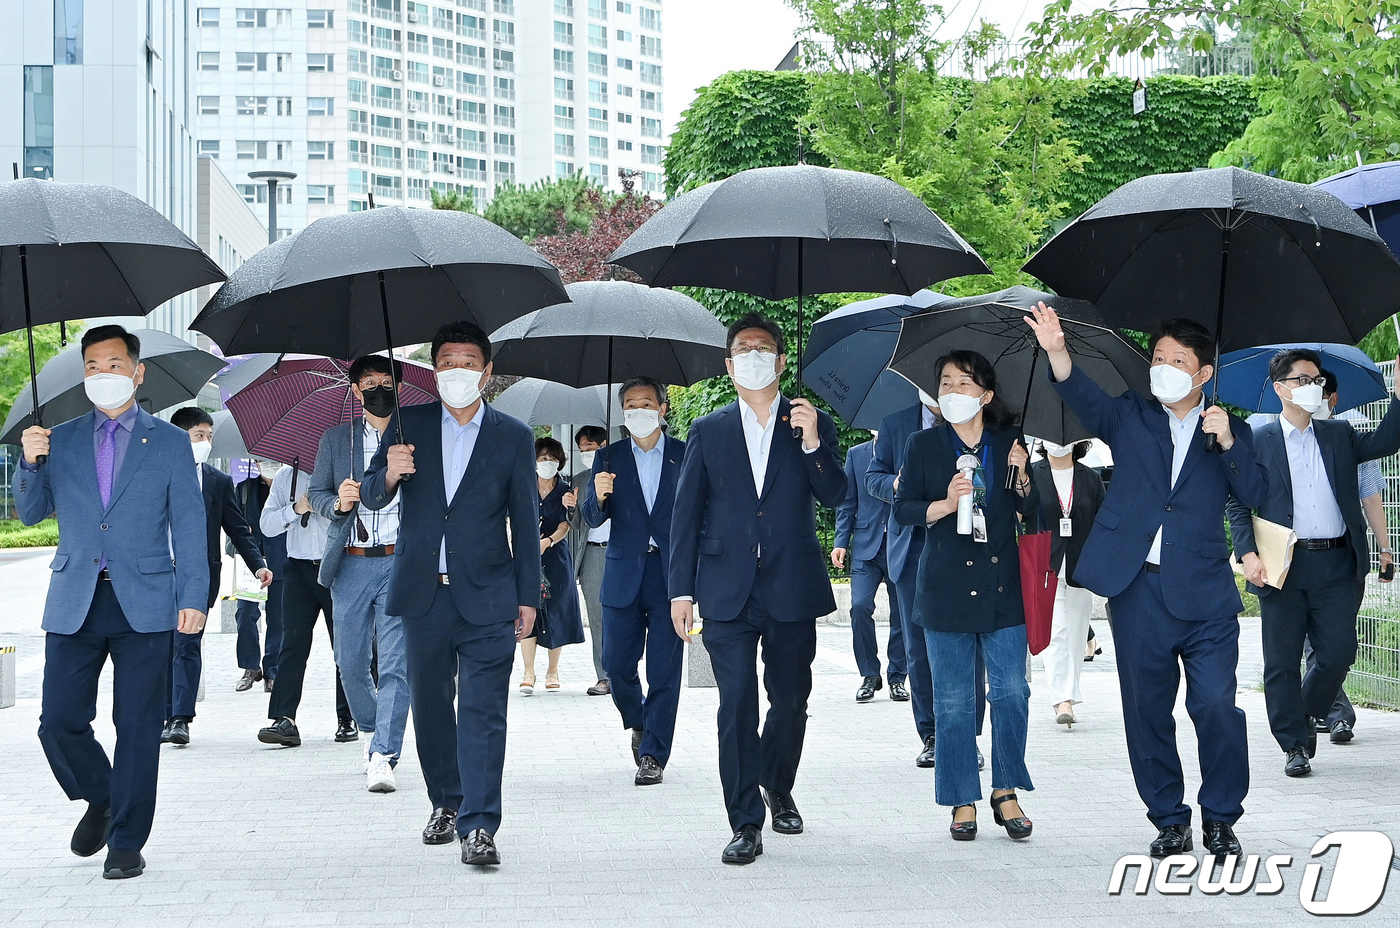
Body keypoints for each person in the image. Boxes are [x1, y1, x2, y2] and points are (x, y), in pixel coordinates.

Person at [1027, 304, 1267, 860]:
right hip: (1139, 589)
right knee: (1146, 711)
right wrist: (1057, 349)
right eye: (1158, 358)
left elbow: (1256, 494)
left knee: (1215, 706)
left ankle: (1222, 817)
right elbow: (1081, 396)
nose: (1162, 367)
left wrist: (1229, 443)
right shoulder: (1132, 414)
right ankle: (1169, 818)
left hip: (1206, 594)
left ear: (1203, 373)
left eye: (1176, 360)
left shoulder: (1231, 429)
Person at [15, 324, 208, 880]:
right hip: (75, 597)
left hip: (146, 601)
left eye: (114, 364)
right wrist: (30, 463)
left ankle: (127, 839)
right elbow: (29, 515)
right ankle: (102, 798)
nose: (104, 374)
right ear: (85, 374)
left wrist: (193, 594)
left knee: (139, 725)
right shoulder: (61, 437)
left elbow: (190, 526)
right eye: (93, 366)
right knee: (58, 721)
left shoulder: (169, 442)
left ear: (137, 370)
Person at [360, 320, 540, 867]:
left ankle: (481, 824)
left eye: (467, 361)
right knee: (432, 707)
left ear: (485, 372)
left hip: (489, 595)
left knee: (485, 712)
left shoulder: (512, 436)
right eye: (445, 361)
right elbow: (369, 496)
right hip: (423, 597)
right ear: (433, 370)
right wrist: (389, 475)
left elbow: (526, 523)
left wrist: (528, 596)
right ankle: (446, 801)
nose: (455, 370)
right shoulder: (406, 425)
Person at [669, 313, 846, 865]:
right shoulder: (710, 429)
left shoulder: (808, 421)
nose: (753, 356)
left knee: (791, 701)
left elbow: (836, 494)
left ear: (780, 359)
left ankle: (778, 782)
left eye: (763, 348)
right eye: (743, 349)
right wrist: (680, 591)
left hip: (792, 584)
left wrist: (815, 443)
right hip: (726, 591)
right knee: (737, 703)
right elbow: (686, 515)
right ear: (729, 364)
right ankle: (745, 820)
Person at [1226, 348, 1400, 778]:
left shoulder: (1339, 433)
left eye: (1318, 380)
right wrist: (1248, 555)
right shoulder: (1256, 438)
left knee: (1340, 651)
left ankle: (1303, 713)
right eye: (1304, 379)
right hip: (1282, 565)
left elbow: (1385, 442)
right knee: (1282, 660)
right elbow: (1237, 502)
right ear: (1282, 388)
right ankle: (1293, 745)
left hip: (1338, 563)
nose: (1314, 386)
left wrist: (1398, 395)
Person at [894, 350, 1039, 842]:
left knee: (1012, 692)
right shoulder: (922, 445)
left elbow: (1032, 512)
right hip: (946, 591)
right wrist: (946, 503)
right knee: (954, 703)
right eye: (946, 383)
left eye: (964, 383)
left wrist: (1022, 477)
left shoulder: (1008, 443)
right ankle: (961, 797)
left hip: (1003, 593)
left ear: (986, 395)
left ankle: (1006, 789)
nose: (952, 392)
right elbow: (904, 510)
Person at [308, 355, 413, 793]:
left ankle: (384, 752)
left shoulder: (416, 435)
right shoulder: (336, 440)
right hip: (350, 561)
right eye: (369, 383)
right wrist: (339, 503)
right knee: (349, 661)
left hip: (401, 561)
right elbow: (316, 493)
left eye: (386, 382)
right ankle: (372, 730)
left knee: (395, 663)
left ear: (400, 388)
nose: (378, 389)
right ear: (356, 390)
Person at [869, 394, 989, 768]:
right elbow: (873, 477)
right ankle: (932, 734)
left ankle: (968, 735)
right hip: (912, 545)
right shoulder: (895, 423)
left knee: (971, 645)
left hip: (966, 544)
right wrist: (898, 482)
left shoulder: (981, 423)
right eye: (941, 382)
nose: (946, 390)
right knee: (918, 647)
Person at [582, 376, 686, 785]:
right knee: (616, 664)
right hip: (623, 572)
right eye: (629, 404)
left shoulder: (684, 453)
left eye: (646, 403)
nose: (637, 411)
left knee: (665, 670)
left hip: (669, 575)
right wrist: (599, 493)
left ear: (661, 409)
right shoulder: (608, 457)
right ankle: (640, 720)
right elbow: (590, 518)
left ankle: (654, 753)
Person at [162, 408, 272, 746]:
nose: (206, 442)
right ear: (180, 437)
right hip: (155, 573)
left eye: (209, 436)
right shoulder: (152, 473)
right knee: (159, 647)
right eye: (199, 435)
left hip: (199, 575)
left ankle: (180, 718)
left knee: (186, 643)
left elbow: (238, 529)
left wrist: (257, 564)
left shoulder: (217, 481)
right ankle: (162, 713)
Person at [257, 460, 356, 747]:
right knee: (293, 642)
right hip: (299, 568)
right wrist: (296, 509)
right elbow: (267, 525)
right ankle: (284, 718)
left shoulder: (344, 471)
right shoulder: (286, 476)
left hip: (339, 566)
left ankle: (347, 717)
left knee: (345, 644)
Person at [1029, 438, 1105, 728]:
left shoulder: (1091, 478)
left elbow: (1103, 520)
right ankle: (1062, 700)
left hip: (1079, 564)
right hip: (1043, 563)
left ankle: (1068, 697)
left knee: (1075, 635)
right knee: (1054, 631)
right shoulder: (1032, 474)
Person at [832, 432, 906, 702]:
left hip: (901, 544)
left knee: (902, 614)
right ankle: (869, 675)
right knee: (859, 605)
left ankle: (898, 676)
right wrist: (841, 541)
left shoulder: (906, 450)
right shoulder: (857, 454)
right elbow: (848, 502)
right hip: (866, 546)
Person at [521, 437, 585, 692]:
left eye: (552, 458)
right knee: (528, 608)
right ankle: (528, 672)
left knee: (556, 610)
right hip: (527, 557)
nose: (547, 463)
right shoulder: (524, 485)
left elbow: (566, 525)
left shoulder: (565, 490)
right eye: (542, 458)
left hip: (555, 556)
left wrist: (547, 541)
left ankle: (552, 671)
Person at [233, 460, 283, 693]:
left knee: (278, 618)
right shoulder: (243, 489)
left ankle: (272, 670)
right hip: (251, 563)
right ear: (255, 462)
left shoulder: (287, 489)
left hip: (282, 559)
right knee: (245, 614)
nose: (269, 463)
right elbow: (231, 523)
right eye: (263, 459)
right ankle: (250, 667)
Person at [572, 425, 612, 696]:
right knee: (597, 616)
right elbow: (575, 525)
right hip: (592, 552)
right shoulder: (579, 479)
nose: (586, 453)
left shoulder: (620, 473)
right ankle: (604, 675)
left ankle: (625, 668)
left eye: (591, 447)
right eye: (582, 449)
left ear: (604, 444)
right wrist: (568, 508)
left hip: (623, 551)